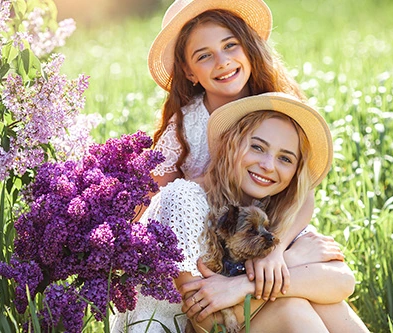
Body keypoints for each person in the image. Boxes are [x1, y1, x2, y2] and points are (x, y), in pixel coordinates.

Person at [113, 93, 368, 332]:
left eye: (285, 159)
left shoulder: (269, 207)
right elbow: (210, 323)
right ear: (231, 143)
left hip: (237, 318)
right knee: (292, 306)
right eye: (257, 147)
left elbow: (343, 281)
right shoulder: (184, 200)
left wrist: (241, 285)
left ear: (294, 174)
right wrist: (292, 261)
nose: (268, 166)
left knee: (325, 303)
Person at [145, 0, 309, 301]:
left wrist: (276, 250)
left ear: (247, 47)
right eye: (204, 56)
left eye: (230, 46)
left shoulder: (276, 107)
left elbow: (304, 193)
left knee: (318, 282)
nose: (221, 62)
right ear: (189, 71)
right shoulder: (186, 125)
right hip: (204, 250)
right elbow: (154, 202)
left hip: (264, 234)